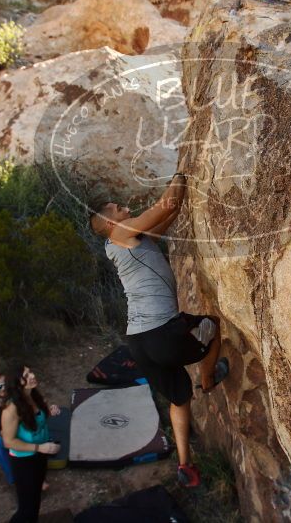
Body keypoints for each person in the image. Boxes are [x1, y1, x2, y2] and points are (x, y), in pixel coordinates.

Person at [89, 172, 228, 488]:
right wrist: (182, 172)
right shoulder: (120, 234)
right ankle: (208, 378)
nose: (120, 206)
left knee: (178, 400)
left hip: (140, 343)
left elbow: (173, 211)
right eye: (114, 208)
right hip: (163, 333)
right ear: (110, 224)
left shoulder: (138, 243)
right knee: (213, 326)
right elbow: (166, 205)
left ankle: (185, 465)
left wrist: (176, 198)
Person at [1, 365, 61, 523]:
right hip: (24, 461)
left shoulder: (33, 395)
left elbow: (37, 417)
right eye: (26, 375)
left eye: (31, 372)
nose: (32, 376)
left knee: (35, 502)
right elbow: (8, 441)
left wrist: (49, 411)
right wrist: (39, 447)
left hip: (40, 455)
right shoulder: (11, 410)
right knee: (26, 508)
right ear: (17, 382)